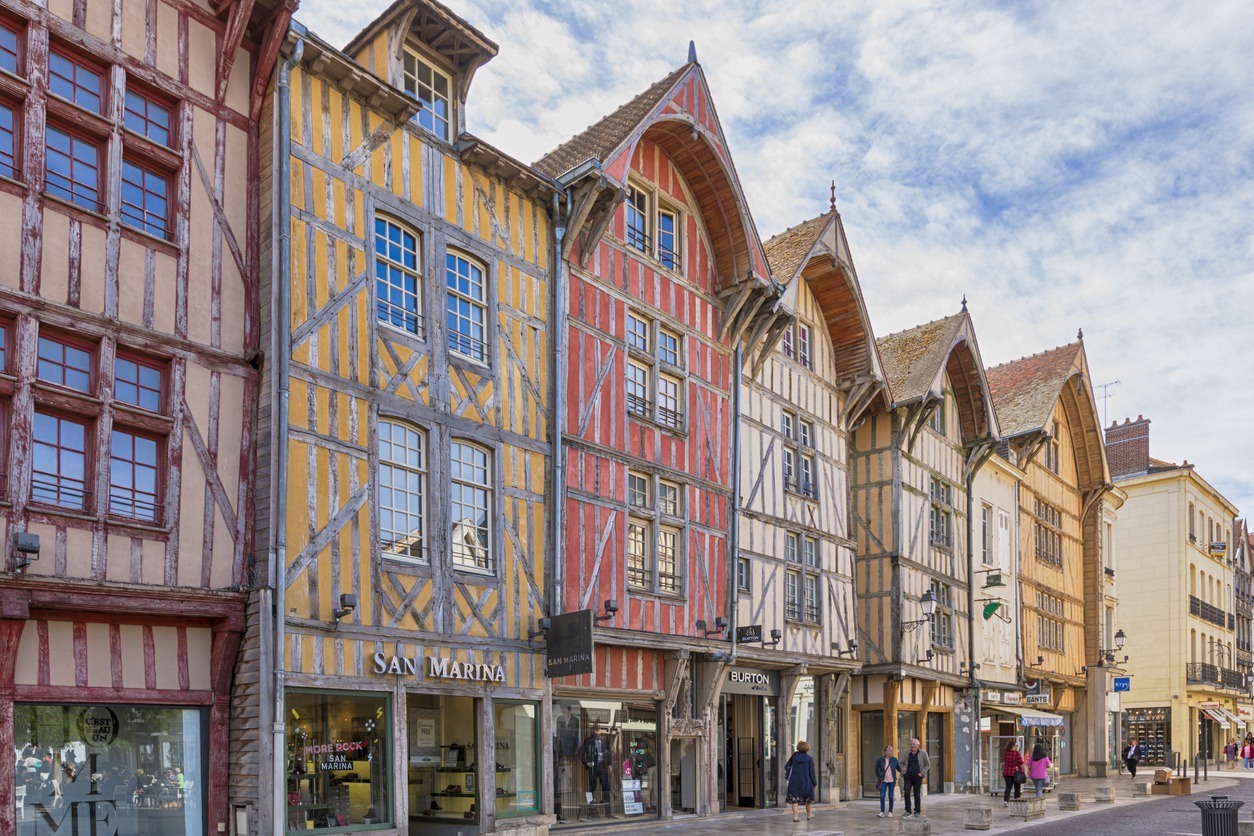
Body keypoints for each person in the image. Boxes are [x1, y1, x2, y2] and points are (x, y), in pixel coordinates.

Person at [784, 741, 817, 823]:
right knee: (807, 799)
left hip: (794, 781)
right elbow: (811, 772)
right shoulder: (810, 759)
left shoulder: (794, 757)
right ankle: (809, 814)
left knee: (794, 799)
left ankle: (795, 816)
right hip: (806, 781)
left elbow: (786, 766)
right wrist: (814, 782)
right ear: (807, 748)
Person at [579, 725, 611, 805]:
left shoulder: (605, 740)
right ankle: (591, 808)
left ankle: (607, 810)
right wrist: (587, 762)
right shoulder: (589, 740)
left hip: (603, 766)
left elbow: (609, 752)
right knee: (592, 786)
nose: (598, 730)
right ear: (593, 730)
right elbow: (580, 752)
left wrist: (609, 764)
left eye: (600, 728)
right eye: (597, 728)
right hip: (594, 766)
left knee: (606, 786)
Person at [901, 738, 930, 818]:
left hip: (917, 777)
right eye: (911, 744)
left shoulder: (923, 753)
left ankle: (917, 811)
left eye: (913, 744)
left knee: (917, 794)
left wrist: (922, 773)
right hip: (908, 776)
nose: (912, 746)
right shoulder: (907, 753)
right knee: (906, 793)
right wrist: (903, 770)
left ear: (918, 745)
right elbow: (901, 763)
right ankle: (908, 811)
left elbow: (928, 764)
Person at [874, 745, 900, 818]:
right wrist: (879, 776)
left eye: (891, 751)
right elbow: (876, 769)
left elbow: (899, 768)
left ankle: (890, 812)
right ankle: (882, 812)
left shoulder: (894, 760)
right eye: (888, 751)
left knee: (891, 796)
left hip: (892, 780)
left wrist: (904, 768)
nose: (889, 752)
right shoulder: (880, 760)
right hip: (883, 780)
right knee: (882, 796)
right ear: (885, 752)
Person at [1002, 741, 1024, 805]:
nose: (1017, 747)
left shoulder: (1006, 753)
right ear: (1013, 746)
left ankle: (1006, 801)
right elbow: (1021, 763)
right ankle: (1016, 800)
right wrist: (1024, 770)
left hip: (1007, 772)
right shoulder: (1017, 753)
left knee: (1008, 787)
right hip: (1016, 772)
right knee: (1017, 787)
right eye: (1016, 745)